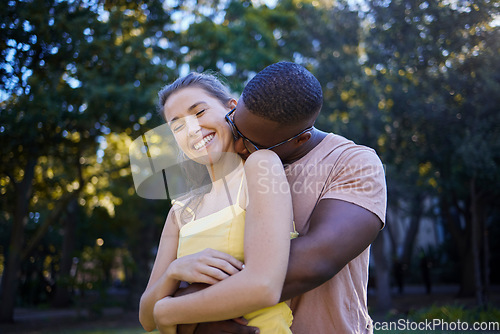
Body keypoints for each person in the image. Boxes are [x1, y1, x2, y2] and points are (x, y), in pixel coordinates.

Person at [185, 61, 387, 333]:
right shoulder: (231, 165)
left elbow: (314, 261)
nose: (235, 145)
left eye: (251, 143)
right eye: (234, 124)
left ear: (300, 140)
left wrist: (192, 307)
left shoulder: (354, 164)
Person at [138, 72, 296, 333]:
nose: (191, 130)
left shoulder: (261, 166)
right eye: (177, 126)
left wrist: (168, 311)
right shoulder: (181, 210)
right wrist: (174, 272)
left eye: (199, 112)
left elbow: (265, 288)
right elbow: (146, 318)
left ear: (230, 109)